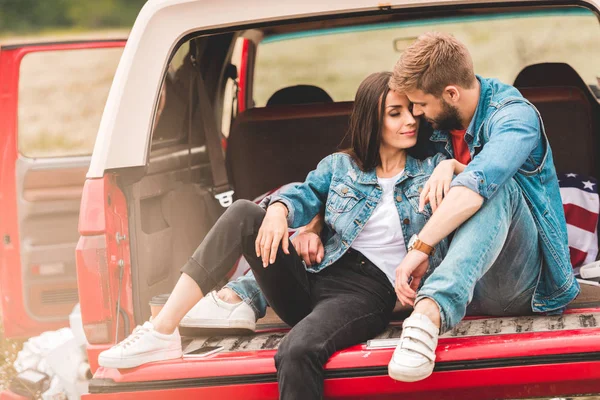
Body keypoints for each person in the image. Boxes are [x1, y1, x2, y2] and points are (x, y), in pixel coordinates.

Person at [97, 71, 465, 399]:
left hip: (368, 291)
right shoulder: (342, 166)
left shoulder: (433, 165)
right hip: (316, 274)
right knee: (243, 212)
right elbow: (303, 193)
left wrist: (451, 165)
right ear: (373, 120)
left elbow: (478, 180)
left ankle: (235, 298)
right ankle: (161, 331)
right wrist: (278, 210)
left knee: (295, 351)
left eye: (411, 111)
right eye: (395, 113)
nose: (410, 120)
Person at [385, 32, 579, 382]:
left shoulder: (515, 118)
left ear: (451, 94)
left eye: (420, 104)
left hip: (521, 287)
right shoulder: (440, 121)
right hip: (464, 280)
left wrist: (421, 247)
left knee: (496, 187)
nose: (414, 114)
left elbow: (479, 186)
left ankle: (428, 315)